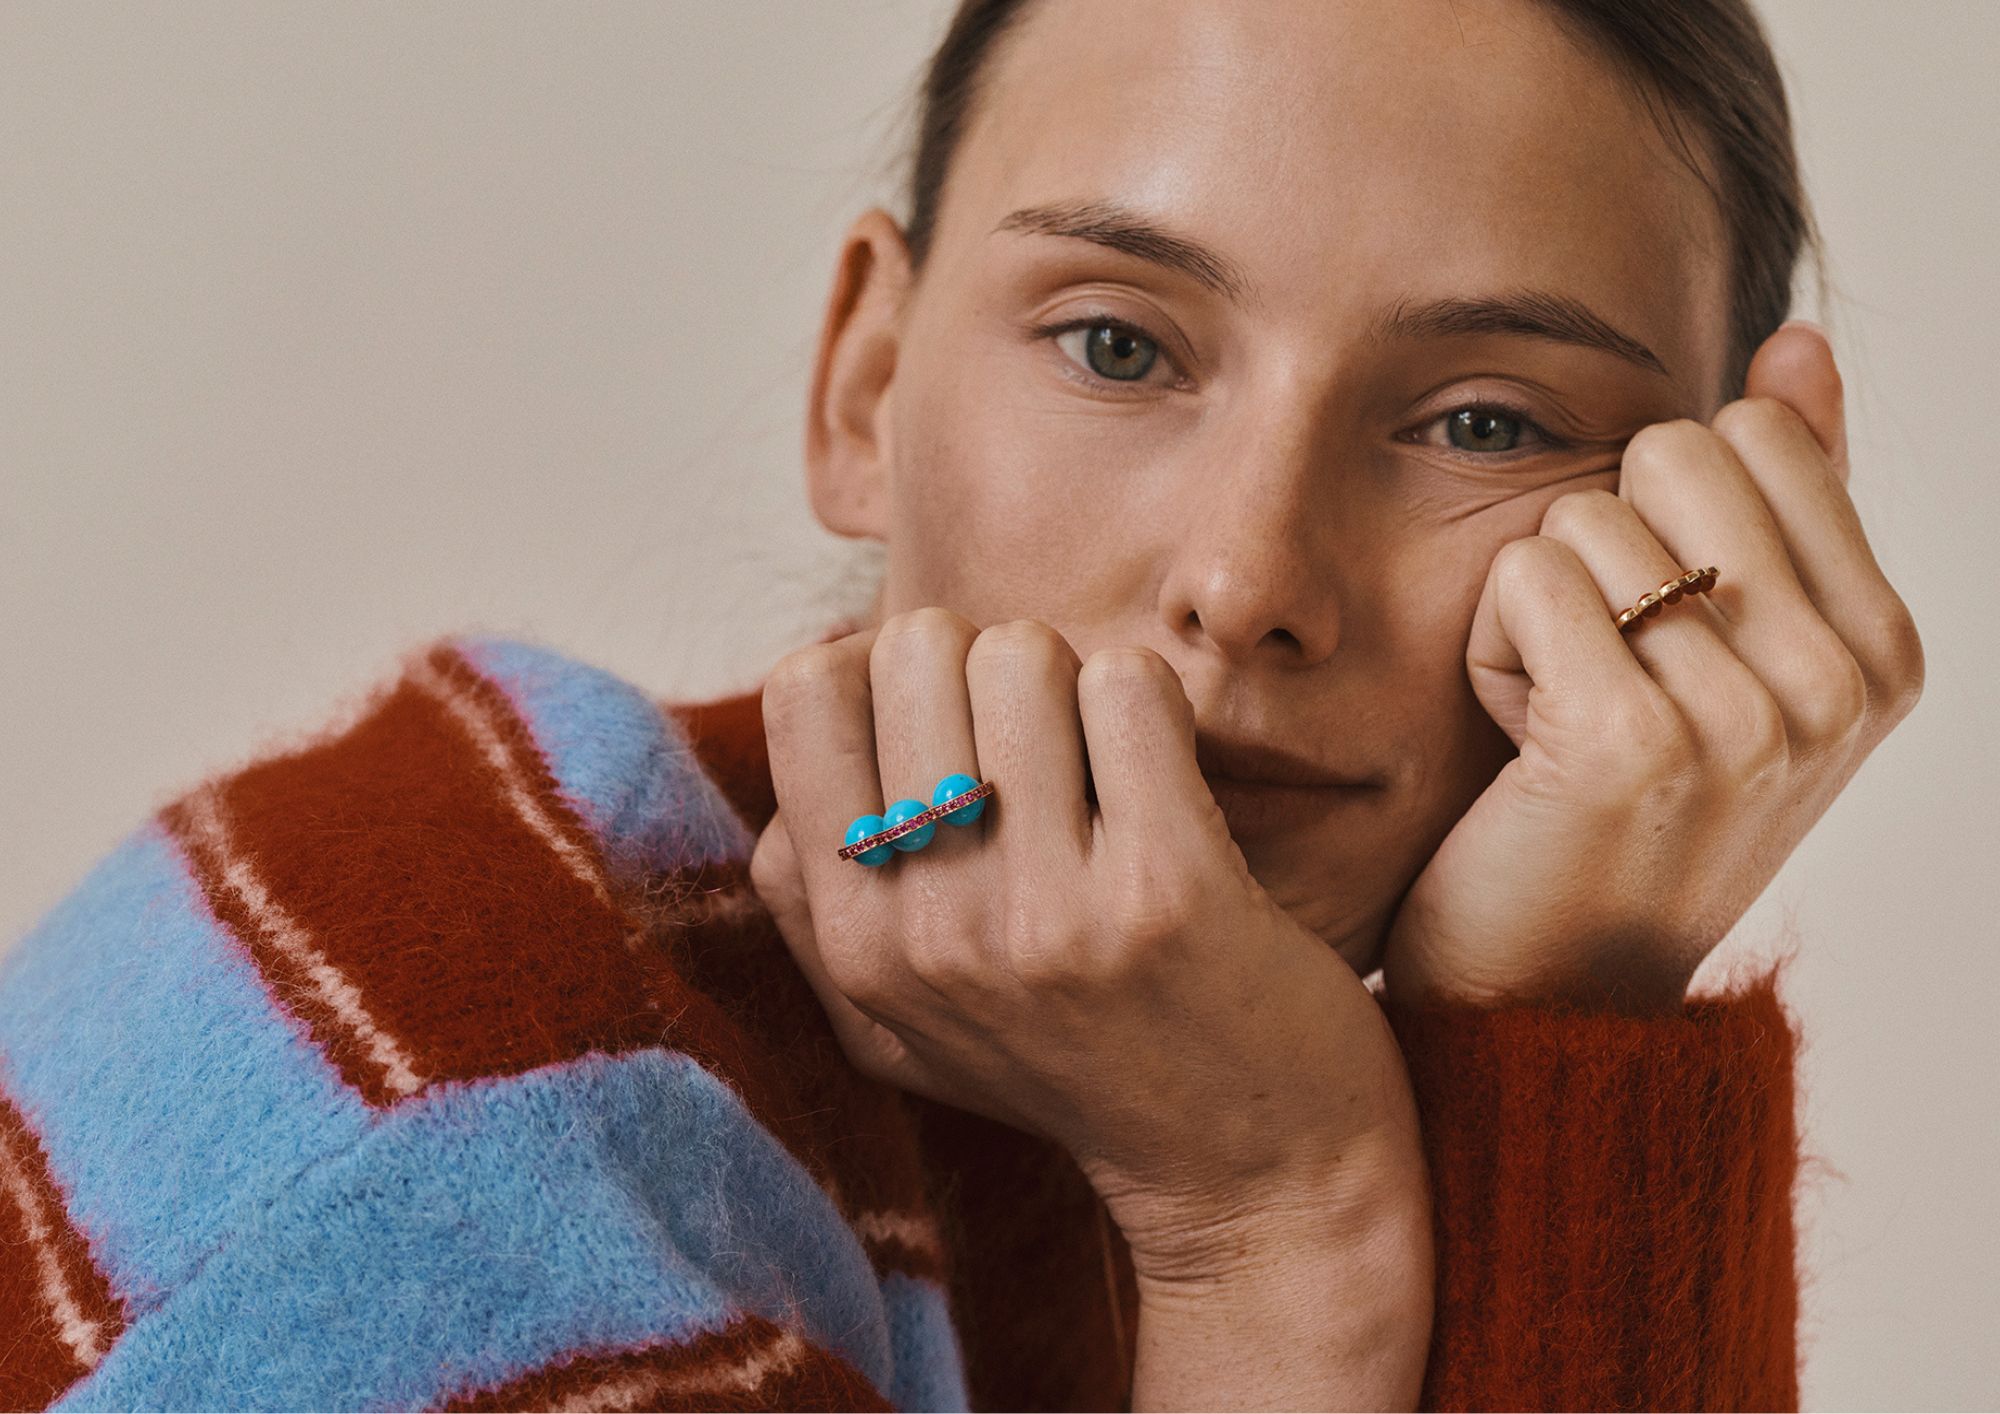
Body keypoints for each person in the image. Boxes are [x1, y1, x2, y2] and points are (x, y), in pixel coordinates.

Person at [0, 0, 1924, 1410]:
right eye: (1116, 342)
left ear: (1719, 527)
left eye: (1485, 422)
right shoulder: (438, 1080)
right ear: (862, 384)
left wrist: (1555, 1040)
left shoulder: (1177, 1062)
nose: (1247, 579)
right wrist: (1278, 1236)